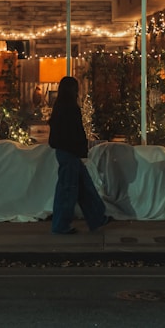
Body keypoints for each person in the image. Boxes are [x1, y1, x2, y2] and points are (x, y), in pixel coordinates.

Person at [48, 76, 110, 234]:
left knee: (82, 185)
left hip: (66, 152)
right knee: (69, 189)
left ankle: (96, 217)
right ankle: (61, 225)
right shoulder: (70, 108)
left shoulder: (60, 107)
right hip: (70, 152)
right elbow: (75, 132)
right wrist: (81, 148)